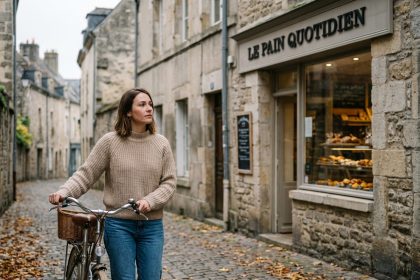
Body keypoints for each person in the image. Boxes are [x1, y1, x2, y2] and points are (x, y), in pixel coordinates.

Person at [48, 88, 177, 279]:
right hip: (119, 226)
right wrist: (64, 191)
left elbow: (169, 182)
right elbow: (86, 174)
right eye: (142, 104)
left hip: (151, 225)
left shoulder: (161, 144)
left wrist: (150, 201)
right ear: (128, 111)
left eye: (150, 104)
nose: (149, 108)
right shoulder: (110, 142)